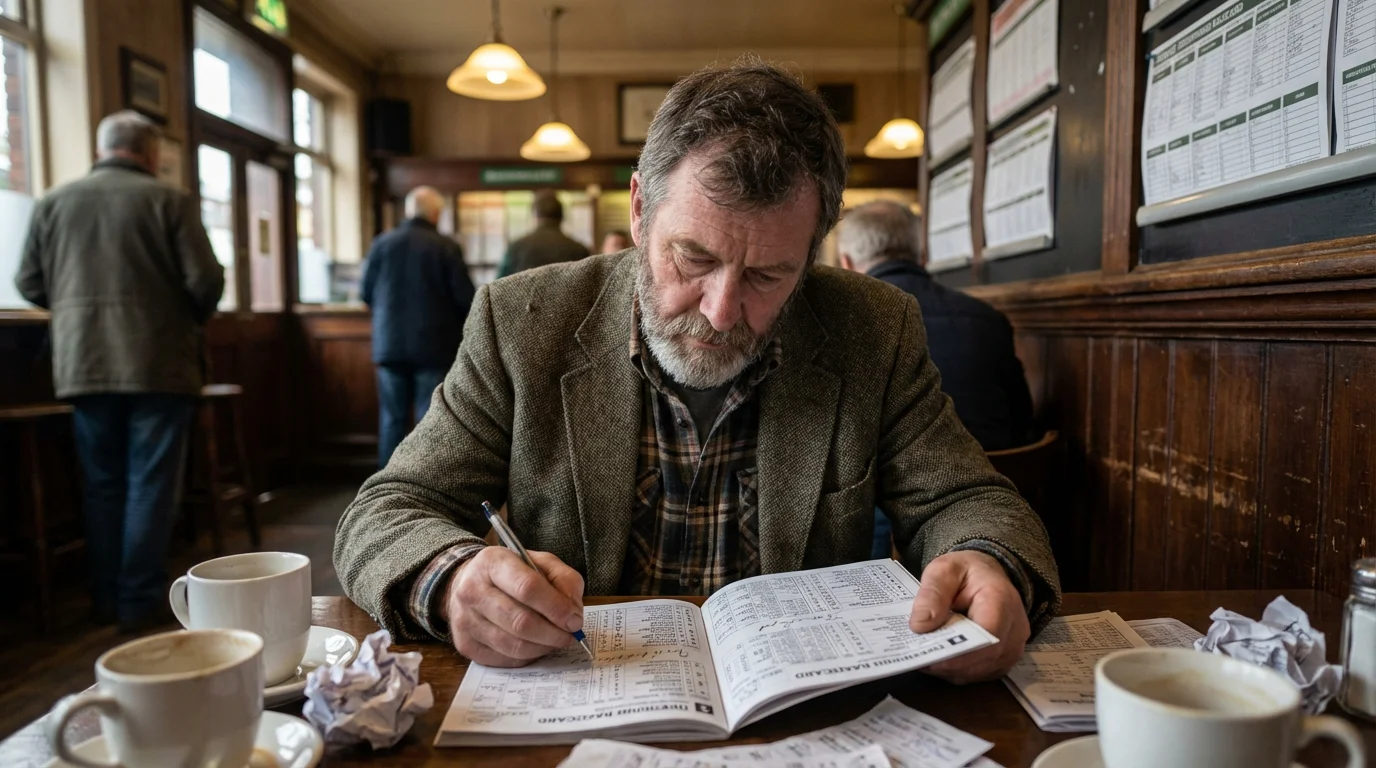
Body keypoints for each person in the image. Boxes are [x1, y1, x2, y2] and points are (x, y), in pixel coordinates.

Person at [334, 60, 1060, 685]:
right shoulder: (523, 322)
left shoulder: (873, 328)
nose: (720, 310)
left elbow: (968, 498)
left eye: (768, 275)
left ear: (812, 254)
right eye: (694, 258)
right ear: (640, 209)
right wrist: (454, 579)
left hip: (798, 710)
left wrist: (986, 559)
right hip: (582, 697)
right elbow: (387, 510)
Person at [14, 110, 225, 633]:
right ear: (151, 152)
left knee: (102, 485)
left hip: (83, 362)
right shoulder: (169, 201)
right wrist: (180, 318)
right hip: (158, 362)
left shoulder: (53, 203)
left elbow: (28, 281)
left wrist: (74, 311)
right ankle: (138, 600)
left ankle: (105, 596)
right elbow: (205, 281)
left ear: (100, 148)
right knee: (151, 483)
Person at [837, 201, 1036, 558]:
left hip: (920, 511)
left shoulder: (850, 326)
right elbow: (1023, 420)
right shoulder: (988, 317)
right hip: (1012, 492)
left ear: (846, 264)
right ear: (923, 253)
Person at [361, 186, 476, 467]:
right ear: (436, 214)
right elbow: (466, 299)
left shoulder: (382, 244)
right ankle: (426, 483)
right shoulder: (445, 247)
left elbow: (365, 293)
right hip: (434, 347)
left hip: (390, 345)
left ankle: (388, 485)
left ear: (409, 211)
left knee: (392, 420)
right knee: (430, 419)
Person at [496, 190, 590, 277]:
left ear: (534, 216)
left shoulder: (516, 248)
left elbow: (499, 284)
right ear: (561, 217)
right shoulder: (580, 250)